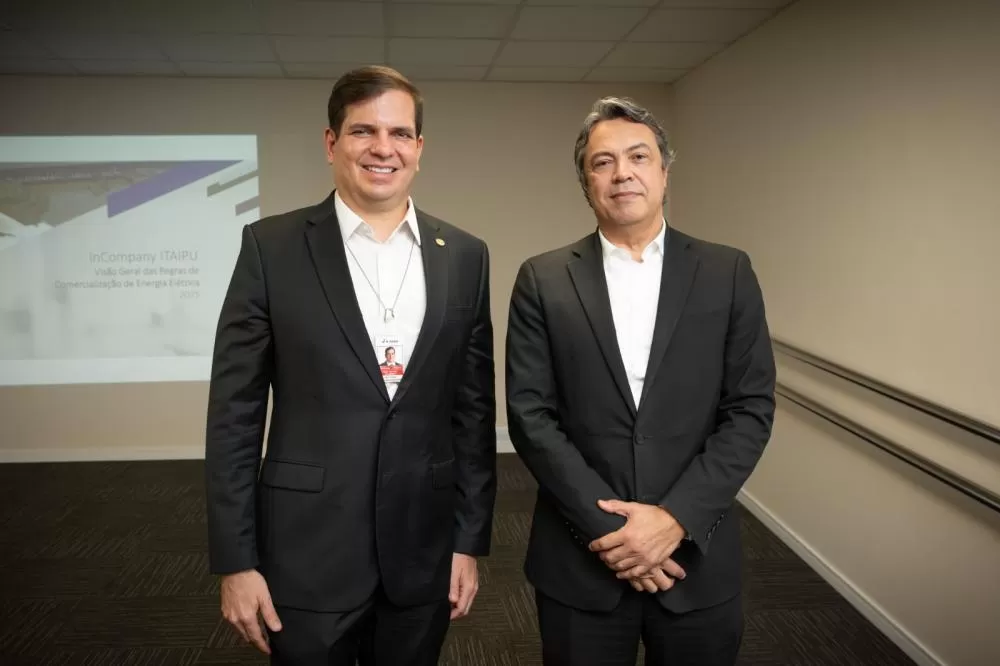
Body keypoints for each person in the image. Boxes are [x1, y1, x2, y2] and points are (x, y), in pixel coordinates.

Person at [204, 65, 497, 665]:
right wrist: (236, 561)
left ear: (419, 147)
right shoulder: (271, 248)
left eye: (399, 133)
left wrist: (468, 543)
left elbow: (473, 410)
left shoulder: (465, 255)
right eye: (363, 131)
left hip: (423, 552)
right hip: (307, 554)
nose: (382, 148)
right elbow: (234, 417)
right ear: (332, 143)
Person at [505, 96, 776, 665]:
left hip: (696, 558)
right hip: (582, 561)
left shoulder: (727, 272)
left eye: (638, 156)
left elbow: (749, 408)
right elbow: (532, 417)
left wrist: (674, 520)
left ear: (663, 172)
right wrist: (615, 535)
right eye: (602, 162)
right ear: (586, 182)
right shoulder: (543, 279)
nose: (621, 172)